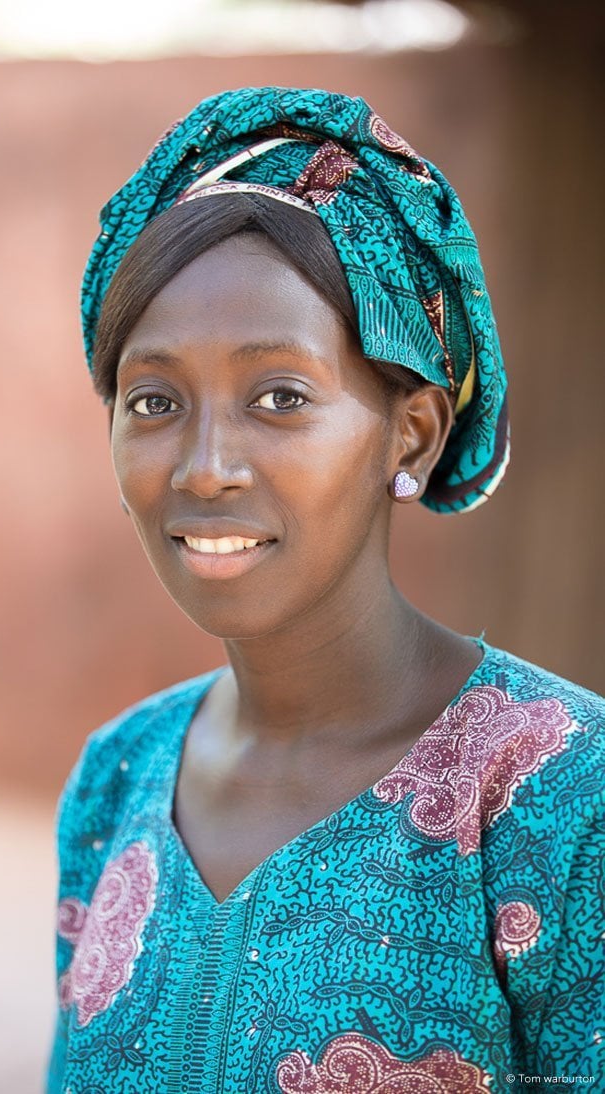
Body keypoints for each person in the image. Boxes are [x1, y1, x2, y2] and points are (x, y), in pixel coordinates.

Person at [46, 88, 604, 1093]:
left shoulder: (559, 794)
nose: (204, 465)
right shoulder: (114, 777)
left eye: (280, 396)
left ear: (413, 432)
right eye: (155, 400)